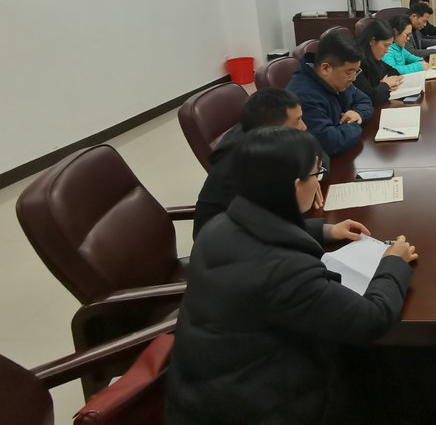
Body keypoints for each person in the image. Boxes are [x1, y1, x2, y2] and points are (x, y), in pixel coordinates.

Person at [167, 126, 418, 425]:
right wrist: (392, 263)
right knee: (392, 371)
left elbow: (264, 227)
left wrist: (325, 230)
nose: (319, 180)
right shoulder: (285, 271)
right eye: (317, 173)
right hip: (258, 407)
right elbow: (371, 319)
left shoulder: (218, 226)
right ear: (297, 186)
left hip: (204, 389)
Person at [192, 87, 327, 240]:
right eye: (297, 121)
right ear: (273, 128)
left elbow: (319, 153)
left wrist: (312, 176)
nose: (304, 126)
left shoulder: (264, 136)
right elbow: (271, 225)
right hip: (228, 244)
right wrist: (309, 176)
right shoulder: (249, 164)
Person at [286, 31, 374, 156]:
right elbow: (331, 142)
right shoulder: (304, 96)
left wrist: (358, 114)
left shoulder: (338, 79)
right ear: (326, 68)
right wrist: (354, 124)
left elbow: (365, 100)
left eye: (356, 71)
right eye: (350, 72)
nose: (354, 78)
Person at [353, 19, 404, 105]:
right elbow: (370, 98)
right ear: (372, 41)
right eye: (385, 45)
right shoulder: (356, 61)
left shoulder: (373, 57)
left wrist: (386, 85)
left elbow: (394, 72)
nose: (387, 51)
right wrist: (385, 85)